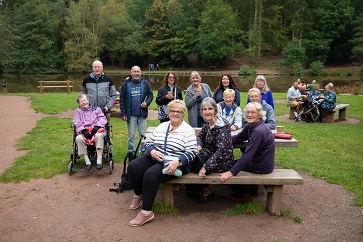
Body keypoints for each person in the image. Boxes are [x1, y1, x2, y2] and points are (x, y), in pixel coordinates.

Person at [127, 100, 197, 226]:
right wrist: (152, 152)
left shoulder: (188, 130)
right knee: (133, 167)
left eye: (179, 112)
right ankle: (139, 193)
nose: (175, 114)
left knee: (151, 175)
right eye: (172, 110)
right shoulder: (162, 126)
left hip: (175, 161)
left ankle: (146, 212)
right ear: (168, 112)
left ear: (183, 114)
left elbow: (192, 152)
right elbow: (148, 143)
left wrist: (178, 161)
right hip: (156, 157)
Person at [219, 102, 275, 203]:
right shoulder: (251, 125)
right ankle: (241, 192)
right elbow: (239, 137)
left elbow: (247, 157)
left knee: (227, 165)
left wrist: (230, 172)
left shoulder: (259, 131)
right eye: (248, 112)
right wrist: (222, 140)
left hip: (261, 166)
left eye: (253, 112)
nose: (249, 114)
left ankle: (243, 194)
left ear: (259, 114)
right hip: (259, 161)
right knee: (230, 163)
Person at [190, 97, 234, 202]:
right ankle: (196, 189)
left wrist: (205, 167)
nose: (207, 112)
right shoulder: (208, 124)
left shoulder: (222, 126)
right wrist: (199, 145)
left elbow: (220, 151)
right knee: (191, 158)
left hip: (223, 162)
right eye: (204, 109)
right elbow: (200, 136)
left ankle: (205, 190)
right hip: (212, 157)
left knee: (192, 164)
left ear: (215, 110)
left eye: (210, 109)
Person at [119, 66, 153, 155]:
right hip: (131, 114)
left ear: (140, 73)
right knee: (131, 136)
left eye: (138, 71)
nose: (136, 73)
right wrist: (123, 113)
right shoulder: (126, 84)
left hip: (142, 113)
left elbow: (150, 95)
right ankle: (131, 153)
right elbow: (122, 99)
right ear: (131, 73)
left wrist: (147, 102)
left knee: (143, 135)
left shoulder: (145, 83)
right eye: (134, 71)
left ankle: (143, 152)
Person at [73, 94, 108, 170]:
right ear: (79, 104)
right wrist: (84, 131)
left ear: (88, 101)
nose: (84, 102)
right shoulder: (77, 112)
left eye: (85, 100)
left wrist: (96, 127)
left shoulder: (97, 109)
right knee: (78, 138)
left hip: (97, 130)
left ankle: (99, 161)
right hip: (84, 132)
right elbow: (77, 122)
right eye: (82, 101)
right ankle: (87, 162)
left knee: (99, 136)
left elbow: (103, 119)